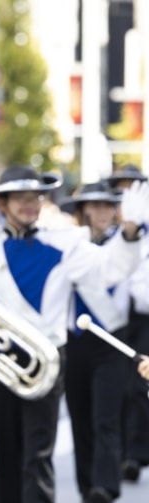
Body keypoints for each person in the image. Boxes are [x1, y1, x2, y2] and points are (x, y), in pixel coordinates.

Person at [0, 166, 148, 503]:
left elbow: (109, 269)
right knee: (5, 452)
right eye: (20, 197)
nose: (29, 204)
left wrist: (129, 232)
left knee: (37, 454)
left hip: (48, 360)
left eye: (36, 197)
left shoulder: (66, 243)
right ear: (2, 205)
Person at [59, 181, 132, 503]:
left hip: (113, 339)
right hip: (74, 341)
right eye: (96, 206)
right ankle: (87, 488)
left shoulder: (129, 244)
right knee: (80, 416)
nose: (103, 212)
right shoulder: (67, 246)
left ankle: (106, 487)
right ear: (82, 211)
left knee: (106, 416)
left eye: (109, 206)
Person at [112, 164, 149, 483]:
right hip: (117, 315)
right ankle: (125, 451)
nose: (128, 191)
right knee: (120, 387)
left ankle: (135, 454)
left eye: (133, 185)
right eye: (122, 186)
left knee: (139, 384)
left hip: (146, 313)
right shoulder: (110, 218)